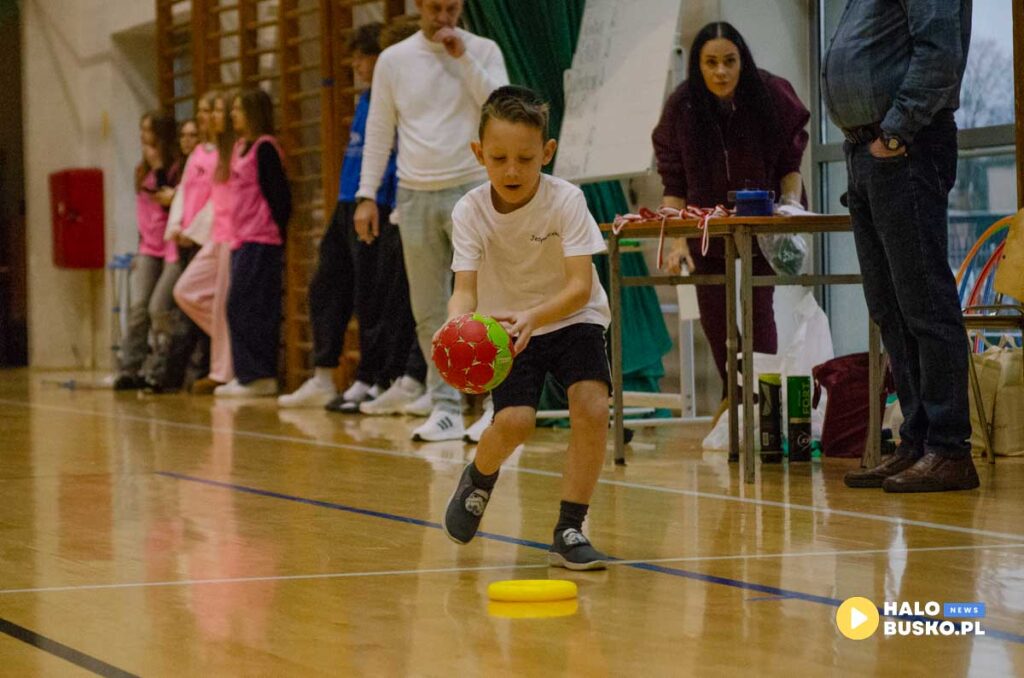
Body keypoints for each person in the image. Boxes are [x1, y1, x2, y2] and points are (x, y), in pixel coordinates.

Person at [442, 86, 611, 570]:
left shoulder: (567, 200)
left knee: (592, 406)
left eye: (525, 158)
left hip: (571, 316)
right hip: (505, 325)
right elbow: (465, 287)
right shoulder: (470, 211)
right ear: (479, 153)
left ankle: (569, 528)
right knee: (516, 421)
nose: (511, 170)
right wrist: (460, 322)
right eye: (498, 158)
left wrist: (537, 316)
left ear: (548, 152)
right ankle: (479, 476)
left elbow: (580, 286)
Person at [824, 1, 978, 492]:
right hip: (866, 151)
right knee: (889, 307)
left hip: (905, 146)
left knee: (924, 303)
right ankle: (915, 441)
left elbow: (939, 53)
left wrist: (896, 131)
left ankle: (949, 449)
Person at [354, 0, 508, 441]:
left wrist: (464, 59)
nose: (445, 17)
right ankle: (444, 406)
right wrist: (367, 195)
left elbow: (503, 108)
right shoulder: (394, 60)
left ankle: (498, 405)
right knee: (428, 309)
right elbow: (380, 129)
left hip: (473, 188)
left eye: (453, 8)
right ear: (419, 6)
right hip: (414, 192)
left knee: (489, 301)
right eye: (436, 7)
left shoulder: (484, 49)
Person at [651, 22, 809, 424]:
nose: (721, 71)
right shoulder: (682, 107)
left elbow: (791, 168)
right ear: (698, 66)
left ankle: (764, 402)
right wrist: (676, 242)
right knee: (715, 314)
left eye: (729, 61)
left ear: (743, 61)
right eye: (711, 62)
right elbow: (675, 183)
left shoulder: (772, 95)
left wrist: (789, 210)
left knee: (759, 310)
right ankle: (735, 396)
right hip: (705, 225)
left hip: (762, 221)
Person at [278, 22, 424, 411]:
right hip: (351, 200)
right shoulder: (366, 100)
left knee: (377, 296)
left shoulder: (399, 98)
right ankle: (330, 375)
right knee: (329, 286)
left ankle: (379, 376)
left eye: (363, 56)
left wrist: (374, 200)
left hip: (380, 204)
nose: (356, 65)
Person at [214, 88, 291, 398]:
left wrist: (276, 233)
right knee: (237, 306)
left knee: (251, 307)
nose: (233, 115)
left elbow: (280, 197)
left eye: (239, 110)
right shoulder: (239, 147)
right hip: (241, 238)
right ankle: (246, 373)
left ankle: (261, 374)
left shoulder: (265, 149)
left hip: (262, 239)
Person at [175, 91, 237, 395]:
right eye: (207, 111)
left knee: (224, 304)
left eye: (215, 112)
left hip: (231, 234)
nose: (209, 118)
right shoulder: (214, 153)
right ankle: (233, 349)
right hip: (214, 235)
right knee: (186, 291)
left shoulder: (235, 151)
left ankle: (224, 369)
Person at [114, 111, 182, 389]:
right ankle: (130, 367)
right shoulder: (141, 169)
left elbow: (173, 205)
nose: (143, 135)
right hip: (148, 247)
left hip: (171, 246)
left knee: (159, 309)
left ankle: (162, 368)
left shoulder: (176, 168)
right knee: (138, 306)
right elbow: (144, 213)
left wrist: (159, 169)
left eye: (148, 129)